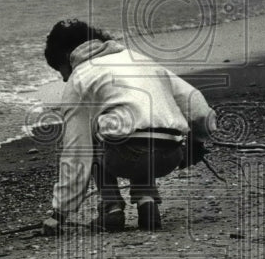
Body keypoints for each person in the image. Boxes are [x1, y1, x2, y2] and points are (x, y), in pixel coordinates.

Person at [40, 19, 216, 233]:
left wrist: (60, 212)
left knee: (95, 132)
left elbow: (76, 151)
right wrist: (197, 142)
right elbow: (198, 107)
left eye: (61, 71)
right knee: (141, 120)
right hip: (171, 155)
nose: (65, 79)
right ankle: (146, 202)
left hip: (124, 156)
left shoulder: (79, 77)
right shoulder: (140, 60)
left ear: (67, 57)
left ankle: (111, 207)